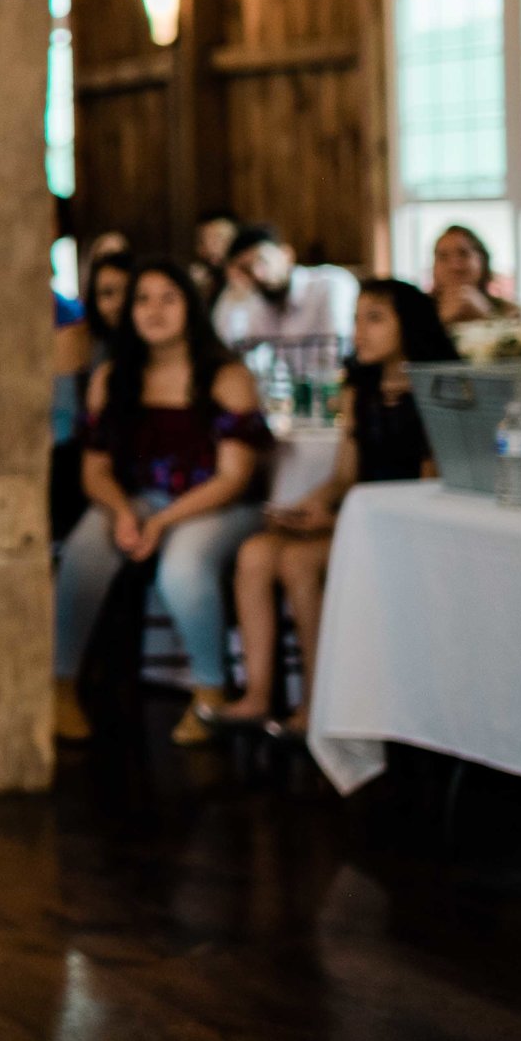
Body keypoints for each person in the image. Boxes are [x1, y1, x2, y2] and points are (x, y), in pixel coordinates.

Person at [209, 281, 453, 738]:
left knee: (299, 560)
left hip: (401, 524)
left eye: (375, 318)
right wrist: (303, 508)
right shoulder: (359, 392)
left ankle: (319, 706)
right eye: (357, 318)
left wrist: (339, 519)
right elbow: (344, 476)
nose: (360, 330)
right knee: (257, 553)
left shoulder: (434, 392)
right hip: (359, 513)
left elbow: (427, 488)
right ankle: (258, 695)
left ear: (410, 326)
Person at [53, 261, 272, 748]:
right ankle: (61, 686)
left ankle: (210, 691)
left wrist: (164, 521)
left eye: (168, 298)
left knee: (183, 564)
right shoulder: (112, 377)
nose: (154, 311)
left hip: (216, 505)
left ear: (190, 307)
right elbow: (95, 471)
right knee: (83, 554)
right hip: (136, 500)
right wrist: (124, 512)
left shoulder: (225, 375)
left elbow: (235, 477)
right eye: (143, 299)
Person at [52, 250, 135, 534]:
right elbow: (64, 425)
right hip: (82, 462)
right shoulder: (79, 342)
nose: (120, 303)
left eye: (130, 291)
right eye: (108, 293)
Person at [213, 223, 359, 353]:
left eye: (262, 261)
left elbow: (340, 352)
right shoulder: (255, 301)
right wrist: (235, 296)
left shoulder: (330, 285)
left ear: (286, 255)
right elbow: (229, 347)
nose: (257, 274)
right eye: (246, 269)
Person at [428, 222, 515, 327]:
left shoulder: (512, 312)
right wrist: (441, 321)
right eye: (443, 257)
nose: (455, 266)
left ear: (482, 261)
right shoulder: (414, 311)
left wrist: (487, 315)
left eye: (463, 254)